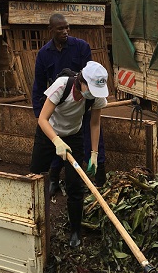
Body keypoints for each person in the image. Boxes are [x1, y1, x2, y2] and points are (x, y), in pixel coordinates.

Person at [30, 60, 109, 247]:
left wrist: (94, 154)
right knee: (34, 176)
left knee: (75, 186)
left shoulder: (95, 97)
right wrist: (56, 140)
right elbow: (42, 118)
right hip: (49, 133)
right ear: (81, 81)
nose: (91, 94)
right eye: (89, 89)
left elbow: (95, 123)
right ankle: (33, 222)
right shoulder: (62, 86)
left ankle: (75, 231)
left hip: (73, 136)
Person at [31, 13, 107, 195]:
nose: (65, 31)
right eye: (60, 29)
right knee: (57, 141)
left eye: (67, 27)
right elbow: (39, 85)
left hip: (84, 98)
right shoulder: (44, 54)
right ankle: (55, 178)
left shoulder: (81, 47)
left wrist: (95, 154)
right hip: (59, 103)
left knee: (90, 135)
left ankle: (97, 175)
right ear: (51, 30)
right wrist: (40, 116)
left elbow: (90, 75)